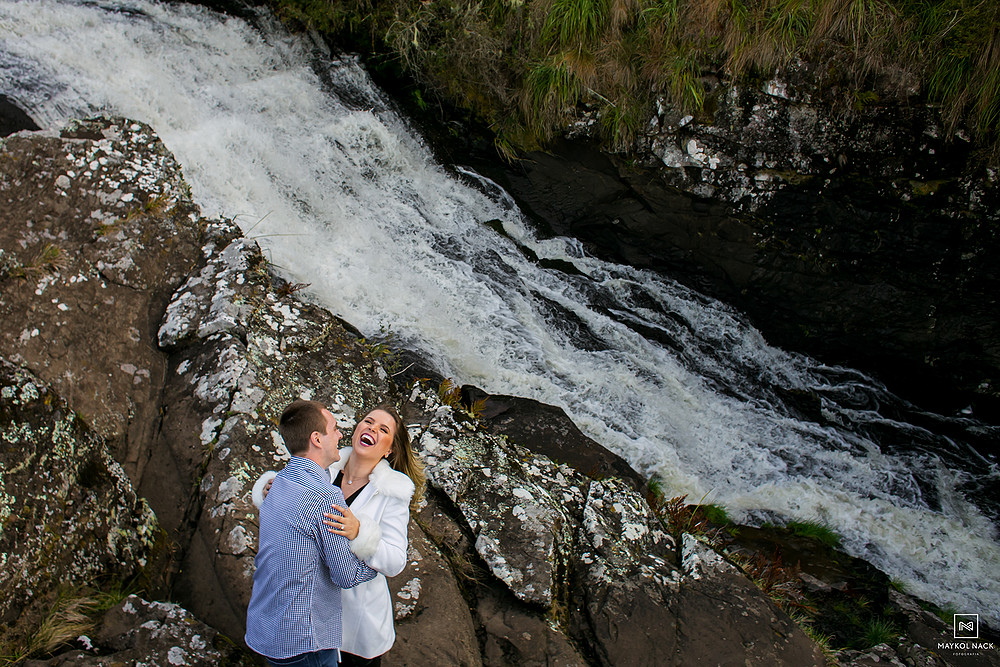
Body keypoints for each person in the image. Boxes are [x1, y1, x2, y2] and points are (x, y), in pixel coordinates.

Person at [253, 404, 425, 667]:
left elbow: (395, 562)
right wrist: (268, 489)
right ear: (356, 429)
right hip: (311, 615)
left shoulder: (393, 493)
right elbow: (290, 488)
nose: (371, 429)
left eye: (383, 429)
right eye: (368, 422)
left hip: (356, 624)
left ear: (389, 449)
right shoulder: (325, 466)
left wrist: (360, 532)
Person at [246, 399, 379, 667]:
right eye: (334, 428)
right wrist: (379, 561)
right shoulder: (325, 496)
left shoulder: (277, 484)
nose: (341, 434)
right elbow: (347, 575)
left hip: (267, 630)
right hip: (303, 641)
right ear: (317, 439)